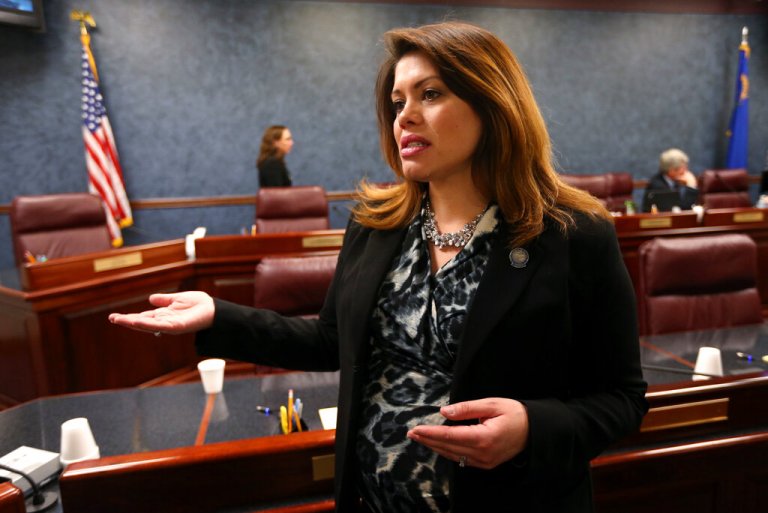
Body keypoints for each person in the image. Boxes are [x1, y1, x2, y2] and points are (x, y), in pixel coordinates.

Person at [109, 21, 648, 513]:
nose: (404, 116)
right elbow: (330, 341)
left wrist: (533, 429)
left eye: (430, 94)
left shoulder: (573, 235)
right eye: (397, 101)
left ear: (494, 104)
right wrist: (217, 315)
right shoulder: (376, 224)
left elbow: (620, 399)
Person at [642, 148, 699, 212]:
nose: (686, 171)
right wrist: (691, 186)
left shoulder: (676, 182)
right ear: (671, 170)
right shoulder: (657, 185)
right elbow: (682, 209)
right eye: (683, 167)